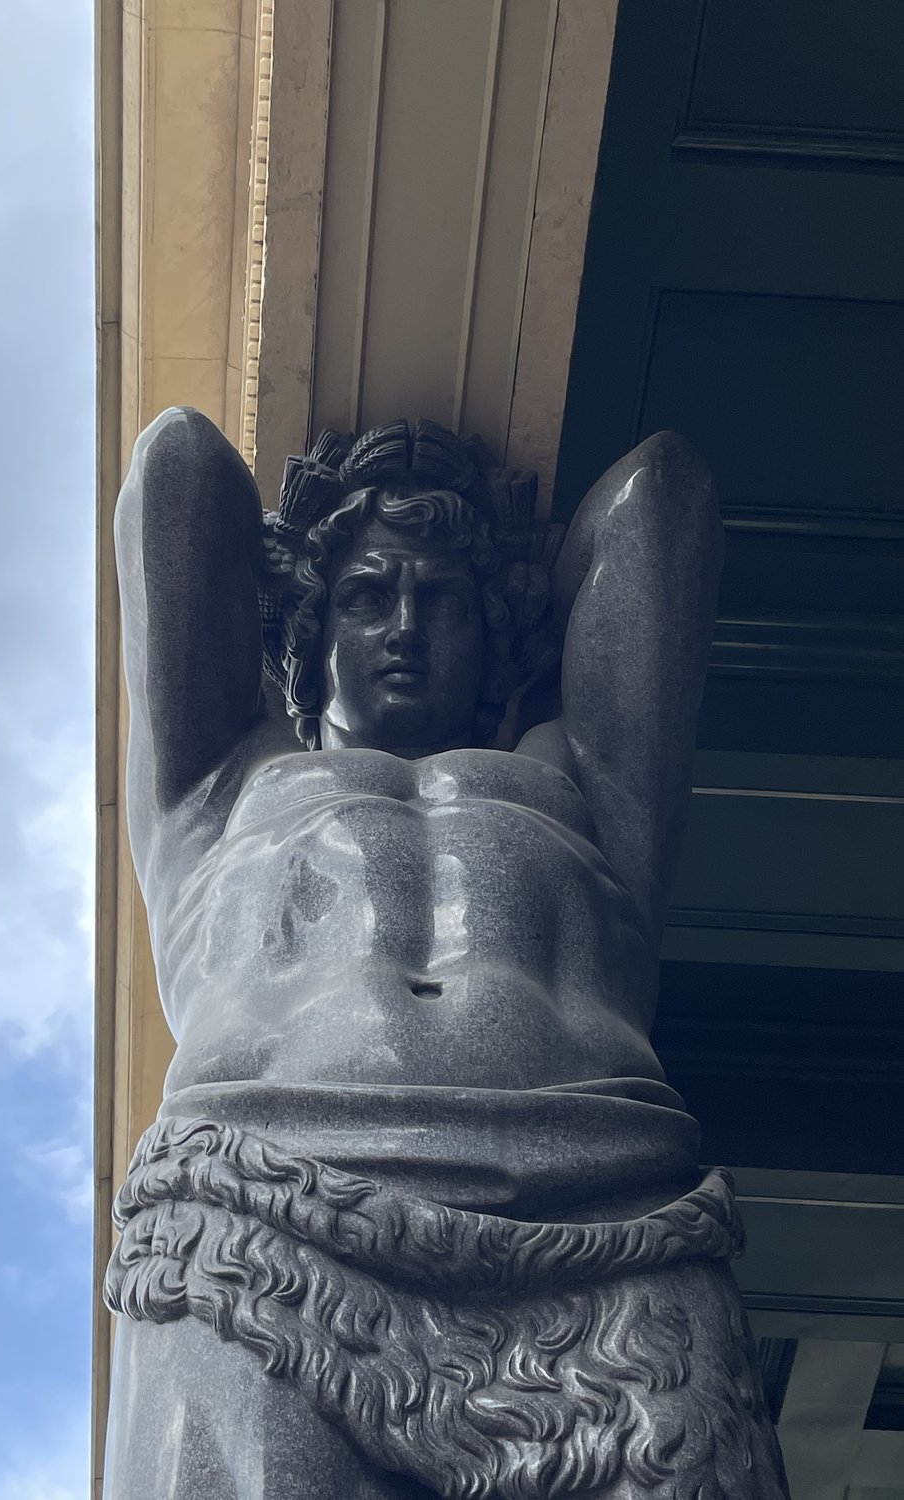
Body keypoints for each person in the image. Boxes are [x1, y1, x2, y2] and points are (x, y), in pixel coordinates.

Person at [103, 411, 788, 1499]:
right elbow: (175, 469)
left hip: (606, 1203)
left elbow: (662, 500)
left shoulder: (579, 784)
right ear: (310, 630)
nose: (406, 628)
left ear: (495, 630)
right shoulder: (222, 787)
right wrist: (303, 557)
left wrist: (508, 573)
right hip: (265, 1193)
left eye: (444, 601)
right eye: (366, 597)